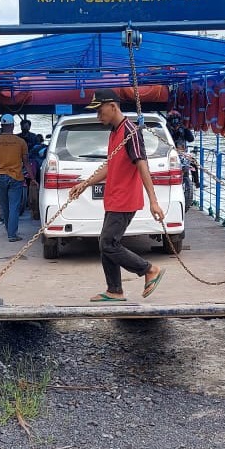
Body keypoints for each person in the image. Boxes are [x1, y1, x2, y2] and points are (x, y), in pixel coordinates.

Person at [68, 88, 166, 302]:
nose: (98, 115)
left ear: (113, 107)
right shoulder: (115, 131)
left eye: (99, 110)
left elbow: (142, 166)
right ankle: (114, 290)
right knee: (106, 244)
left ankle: (149, 270)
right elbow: (110, 166)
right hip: (114, 199)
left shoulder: (130, 131)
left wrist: (154, 202)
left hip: (125, 199)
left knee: (108, 244)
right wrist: (85, 184)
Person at [0, 114, 33, 242]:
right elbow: (26, 162)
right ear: (13, 126)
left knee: (5, 206)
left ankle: (9, 230)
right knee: (14, 206)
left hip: (0, 177)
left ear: (2, 126)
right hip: (16, 177)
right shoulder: (21, 142)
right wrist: (32, 178)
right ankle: (12, 234)